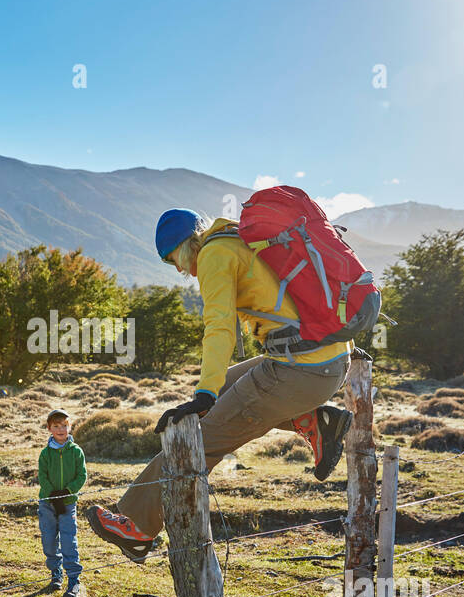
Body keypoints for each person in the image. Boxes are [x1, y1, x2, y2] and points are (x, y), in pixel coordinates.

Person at [85, 208, 356, 563]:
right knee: (224, 393)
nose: (180, 269)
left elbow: (219, 328)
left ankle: (136, 527)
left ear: (187, 245)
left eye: (174, 260)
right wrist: (211, 391)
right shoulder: (237, 237)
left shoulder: (214, 254)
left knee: (200, 440)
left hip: (302, 371)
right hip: (323, 360)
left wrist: (204, 394)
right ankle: (314, 422)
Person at [37, 408, 87, 597]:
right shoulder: (45, 453)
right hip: (48, 504)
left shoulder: (76, 451)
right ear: (49, 428)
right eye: (56, 426)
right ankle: (56, 572)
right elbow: (43, 475)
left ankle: (73, 579)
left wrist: (67, 492)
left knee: (68, 540)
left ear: (70, 427)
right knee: (49, 540)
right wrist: (51, 494)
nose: (61, 429)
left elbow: (81, 475)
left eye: (64, 425)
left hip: (67, 503)